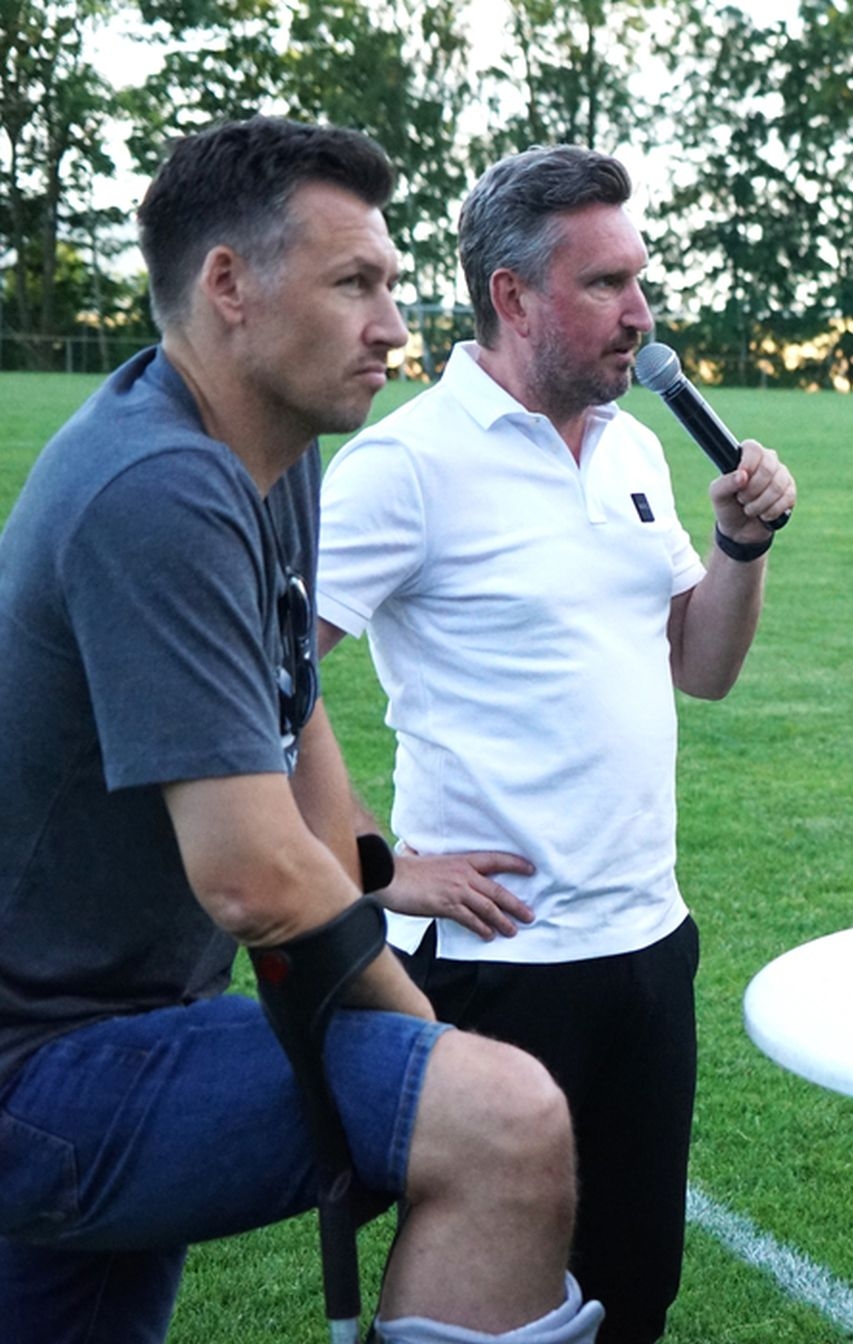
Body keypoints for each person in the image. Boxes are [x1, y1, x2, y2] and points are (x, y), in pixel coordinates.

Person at [0, 117, 602, 1344]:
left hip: (122, 1025)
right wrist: (424, 1037)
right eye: (354, 285)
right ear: (229, 285)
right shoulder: (160, 486)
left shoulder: (271, 453)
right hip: (46, 1069)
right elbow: (254, 880)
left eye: (391, 284)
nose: (395, 326)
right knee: (507, 1120)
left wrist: (374, 868)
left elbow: (295, 700)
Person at [315, 144, 795, 1344]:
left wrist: (740, 548)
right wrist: (379, 868)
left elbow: (702, 665)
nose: (642, 313)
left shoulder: (631, 446)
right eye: (606, 284)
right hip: (500, 965)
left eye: (640, 279)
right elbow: (258, 679)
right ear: (513, 296)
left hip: (648, 943)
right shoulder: (406, 464)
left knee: (635, 1289)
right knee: (492, 1303)